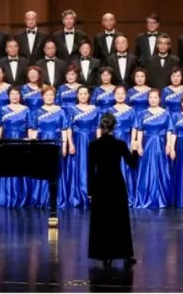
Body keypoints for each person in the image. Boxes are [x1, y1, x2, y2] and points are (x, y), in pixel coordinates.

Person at [88, 113, 140, 270]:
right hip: (116, 184)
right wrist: (135, 150)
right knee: (119, 219)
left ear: (100, 127)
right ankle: (125, 254)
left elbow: (90, 170)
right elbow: (133, 164)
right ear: (114, 127)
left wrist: (90, 192)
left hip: (100, 184)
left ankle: (102, 254)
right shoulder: (120, 144)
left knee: (101, 218)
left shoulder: (93, 145)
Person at [28, 86, 70, 207]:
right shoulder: (36, 112)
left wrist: (64, 146)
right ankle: (41, 198)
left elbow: (64, 130)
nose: (49, 97)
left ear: (54, 96)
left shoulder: (61, 111)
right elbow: (34, 130)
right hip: (42, 143)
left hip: (56, 143)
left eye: (51, 95)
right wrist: (33, 146)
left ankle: (57, 198)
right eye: (46, 95)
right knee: (42, 169)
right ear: (42, 97)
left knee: (56, 170)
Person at [133, 88, 173, 209]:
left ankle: (161, 198)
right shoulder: (142, 113)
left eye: (155, 97)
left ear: (159, 99)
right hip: (147, 144)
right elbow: (140, 130)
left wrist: (169, 145)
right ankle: (145, 197)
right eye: (151, 97)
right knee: (146, 169)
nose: (153, 100)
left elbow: (169, 130)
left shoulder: (166, 113)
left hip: (160, 143)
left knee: (161, 169)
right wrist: (139, 145)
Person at [0, 86, 31, 208]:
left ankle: (22, 198)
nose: (15, 96)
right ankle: (7, 197)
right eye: (12, 94)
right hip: (7, 141)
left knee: (21, 167)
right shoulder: (3, 109)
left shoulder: (26, 109)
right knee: (8, 167)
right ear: (8, 96)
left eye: (17, 94)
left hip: (22, 141)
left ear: (20, 96)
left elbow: (29, 127)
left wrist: (29, 142)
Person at [65, 85, 101, 208]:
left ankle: (93, 196)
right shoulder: (72, 110)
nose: (83, 96)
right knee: (79, 167)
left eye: (85, 93)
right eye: (80, 94)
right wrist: (71, 144)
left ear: (89, 95)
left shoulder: (95, 109)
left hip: (91, 141)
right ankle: (78, 196)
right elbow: (69, 128)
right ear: (77, 95)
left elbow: (98, 127)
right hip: (78, 141)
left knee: (92, 167)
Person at [107, 85, 139, 201]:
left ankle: (127, 195)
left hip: (126, 139)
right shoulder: (109, 110)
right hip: (113, 140)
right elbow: (106, 128)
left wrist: (133, 141)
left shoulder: (131, 110)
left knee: (127, 167)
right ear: (114, 95)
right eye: (117, 94)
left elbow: (134, 127)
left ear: (126, 95)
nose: (120, 96)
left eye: (122, 94)